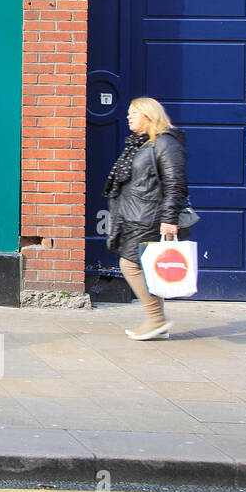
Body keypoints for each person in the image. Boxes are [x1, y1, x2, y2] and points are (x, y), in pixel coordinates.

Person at [104, 97, 191, 340]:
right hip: (135, 216)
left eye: (134, 113)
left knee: (129, 265)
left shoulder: (165, 143)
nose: (129, 117)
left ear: (149, 116)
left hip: (151, 217)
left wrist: (169, 218)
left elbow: (175, 184)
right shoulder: (141, 144)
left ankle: (156, 319)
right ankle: (158, 324)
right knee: (149, 267)